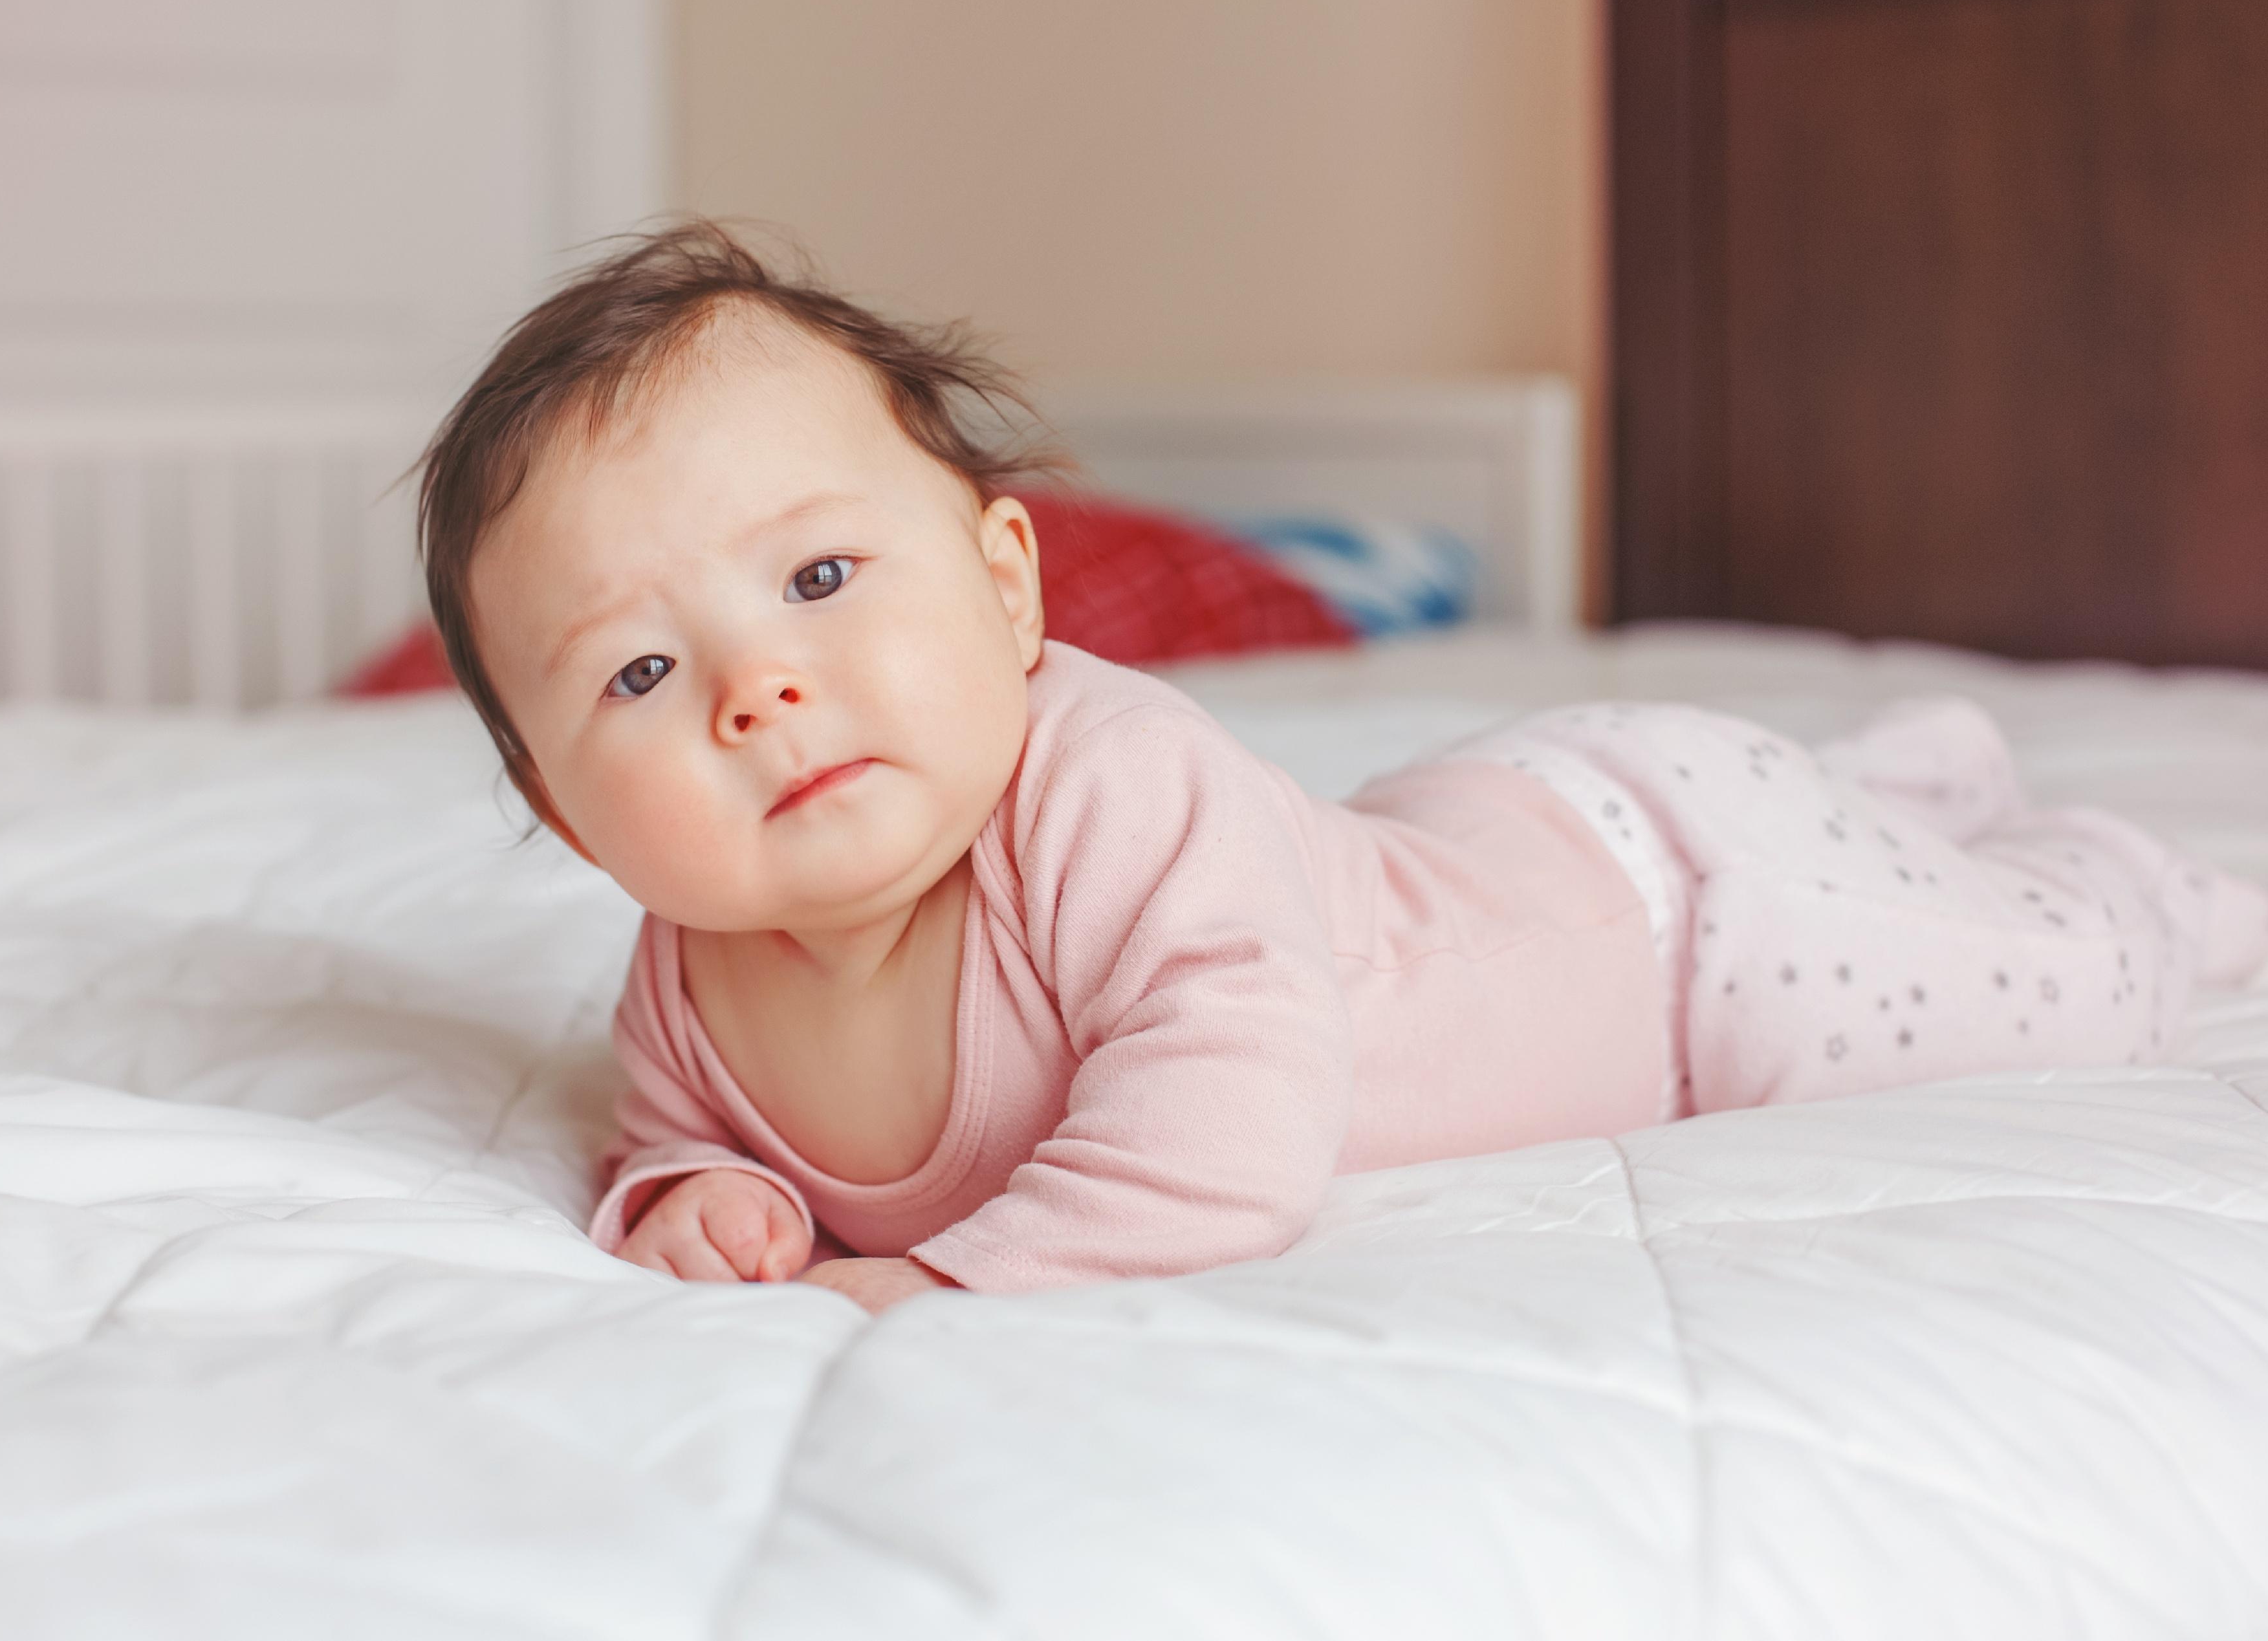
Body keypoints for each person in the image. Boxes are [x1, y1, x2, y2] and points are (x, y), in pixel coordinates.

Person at [415, 223, 2268, 1316]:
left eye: (822, 577)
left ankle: (2127, 877)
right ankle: (1906, 778)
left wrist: (934, 1282)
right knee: (1836, 838)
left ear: (1006, 586)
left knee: (2042, 989)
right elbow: (673, 1139)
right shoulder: (689, 977)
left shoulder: (1111, 783)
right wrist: (694, 1206)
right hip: (1481, 837)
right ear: (576, 819)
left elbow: (1230, 1126)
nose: (760, 687)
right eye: (646, 670)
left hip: (1675, 915)